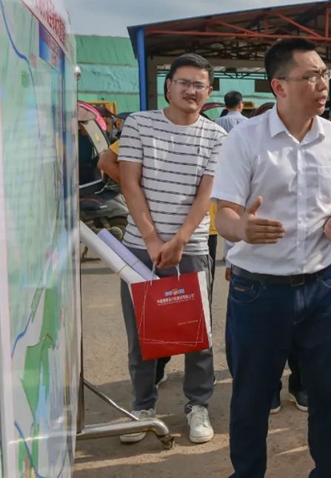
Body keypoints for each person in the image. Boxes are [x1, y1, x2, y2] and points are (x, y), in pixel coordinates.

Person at [213, 38, 331, 478]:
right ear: (279, 86)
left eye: (325, 74)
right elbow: (225, 214)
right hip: (258, 291)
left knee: (329, 396)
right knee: (252, 399)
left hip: (321, 288)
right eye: (311, 76)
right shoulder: (244, 139)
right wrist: (242, 228)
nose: (323, 84)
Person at [117, 53, 226, 445]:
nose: (191, 90)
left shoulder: (216, 136)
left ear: (208, 92)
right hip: (138, 248)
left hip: (191, 248)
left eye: (199, 85)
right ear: (168, 86)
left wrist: (179, 240)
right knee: (142, 333)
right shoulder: (139, 124)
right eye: (184, 82)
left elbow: (205, 195)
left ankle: (198, 405)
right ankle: (143, 407)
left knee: (196, 333)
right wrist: (152, 240)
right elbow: (130, 183)